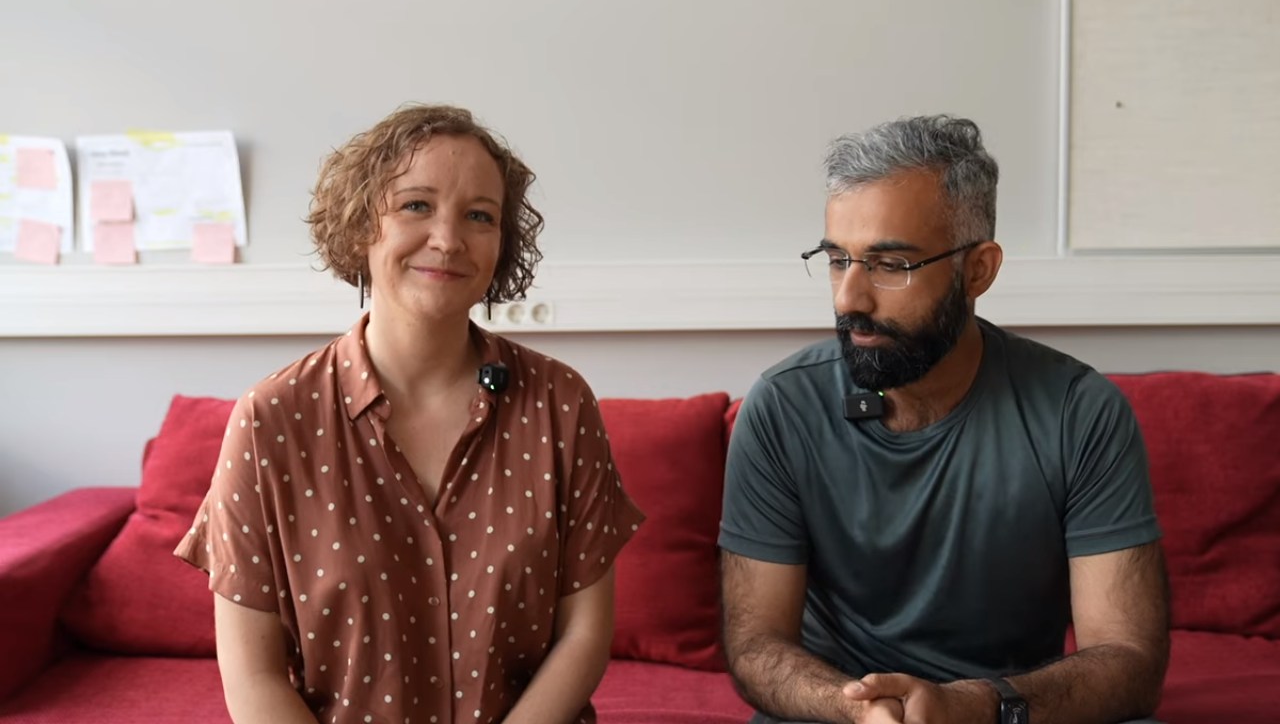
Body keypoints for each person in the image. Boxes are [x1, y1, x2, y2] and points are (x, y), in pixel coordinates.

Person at [175, 104, 645, 724]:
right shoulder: (271, 421)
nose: (448, 239)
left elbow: (583, 635)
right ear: (359, 225)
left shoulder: (560, 403)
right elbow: (253, 675)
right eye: (416, 205)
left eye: (480, 216)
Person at [718, 116, 1169, 724]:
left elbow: (1130, 661)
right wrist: (857, 710)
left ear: (978, 269)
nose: (849, 298)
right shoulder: (782, 406)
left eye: (890, 264)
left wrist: (972, 706)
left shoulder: (1079, 412)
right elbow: (755, 646)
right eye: (837, 259)